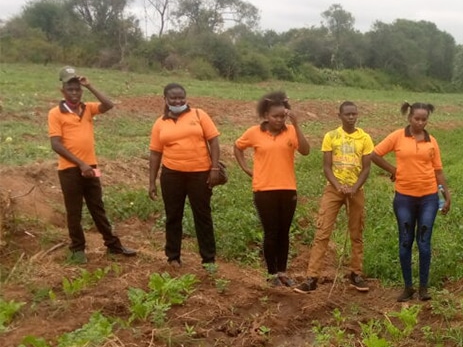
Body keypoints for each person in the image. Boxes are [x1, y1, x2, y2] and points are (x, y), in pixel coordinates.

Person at [48, 66, 137, 264]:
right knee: (74, 211)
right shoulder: (56, 113)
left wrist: (90, 86)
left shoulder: (87, 108)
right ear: (62, 91)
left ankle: (113, 246)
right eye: (70, 89)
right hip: (70, 169)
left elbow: (109, 104)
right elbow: (55, 144)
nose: (75, 93)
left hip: (92, 166)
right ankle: (77, 249)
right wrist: (81, 164)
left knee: (98, 207)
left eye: (77, 89)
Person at [371, 102, 451, 302]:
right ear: (409, 118)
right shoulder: (397, 136)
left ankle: (423, 288)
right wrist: (393, 170)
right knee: (405, 241)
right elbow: (374, 154)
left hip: (429, 198)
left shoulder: (432, 141)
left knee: (424, 243)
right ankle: (408, 287)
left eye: (424, 119)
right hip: (404, 197)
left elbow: (438, 170)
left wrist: (446, 195)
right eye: (417, 118)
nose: (420, 122)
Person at [294, 101, 373, 294]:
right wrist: (338, 186)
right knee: (322, 232)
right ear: (340, 116)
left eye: (354, 114)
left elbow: (366, 168)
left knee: (356, 233)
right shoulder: (331, 136)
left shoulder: (365, 138)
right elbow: (327, 167)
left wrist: (354, 187)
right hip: (333, 189)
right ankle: (312, 277)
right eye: (347, 114)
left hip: (356, 190)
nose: (351, 117)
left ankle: (356, 274)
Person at [234, 91, 310, 287]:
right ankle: (271, 274)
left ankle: (283, 272)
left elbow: (305, 150)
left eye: (282, 116)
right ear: (266, 115)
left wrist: (297, 125)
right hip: (264, 190)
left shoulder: (291, 132)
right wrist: (246, 169)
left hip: (287, 189)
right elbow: (238, 147)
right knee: (271, 231)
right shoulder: (254, 133)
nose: (279, 120)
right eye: (275, 116)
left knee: (284, 232)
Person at [148, 83, 221, 267]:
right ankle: (173, 257)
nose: (178, 101)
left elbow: (214, 141)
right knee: (173, 216)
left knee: (202, 215)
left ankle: (208, 259)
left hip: (200, 174)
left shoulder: (199, 115)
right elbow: (155, 153)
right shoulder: (160, 123)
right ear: (165, 99)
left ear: (186, 97)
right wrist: (151, 182)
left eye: (181, 97)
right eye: (173, 98)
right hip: (171, 175)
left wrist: (214, 169)